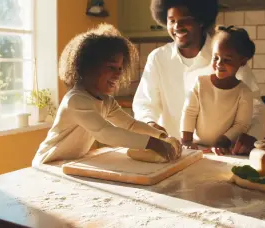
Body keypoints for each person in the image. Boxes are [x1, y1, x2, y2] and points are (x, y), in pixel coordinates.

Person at [132, 0, 265, 155]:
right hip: (172, 154)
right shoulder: (158, 58)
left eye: (185, 19)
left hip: (219, 153)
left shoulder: (225, 54)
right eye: (171, 20)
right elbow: (144, 104)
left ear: (201, 20)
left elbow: (256, 105)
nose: (177, 27)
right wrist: (149, 123)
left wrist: (251, 135)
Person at [32, 23, 180, 166]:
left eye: (120, 68)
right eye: (111, 67)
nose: (117, 74)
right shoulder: (75, 100)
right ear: (88, 66)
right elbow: (105, 133)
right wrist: (153, 143)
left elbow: (130, 125)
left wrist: (160, 135)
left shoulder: (106, 101)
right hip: (48, 164)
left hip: (69, 163)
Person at [181, 26, 255, 155]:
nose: (219, 63)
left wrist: (221, 143)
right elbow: (189, 112)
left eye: (227, 60)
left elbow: (241, 125)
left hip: (224, 149)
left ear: (242, 61)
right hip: (197, 148)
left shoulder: (244, 92)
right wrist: (186, 142)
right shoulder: (200, 83)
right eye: (216, 58)